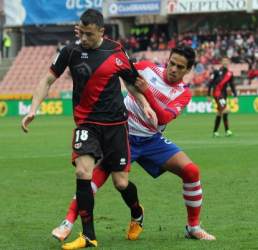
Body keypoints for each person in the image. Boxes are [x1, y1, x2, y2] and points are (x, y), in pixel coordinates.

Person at [52, 44, 216, 243]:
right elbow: (119, 70)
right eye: (171, 63)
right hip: (122, 134)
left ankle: (193, 227)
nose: (173, 69)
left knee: (191, 171)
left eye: (180, 67)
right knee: (93, 178)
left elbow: (163, 118)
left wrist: (146, 92)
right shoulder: (146, 68)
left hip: (151, 140)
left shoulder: (184, 93)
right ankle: (68, 221)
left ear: (189, 70)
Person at [21, 9, 157, 250]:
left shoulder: (117, 51)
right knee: (83, 172)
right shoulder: (70, 52)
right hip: (86, 124)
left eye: (89, 34)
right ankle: (89, 236)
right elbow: (46, 81)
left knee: (121, 183)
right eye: (81, 32)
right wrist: (34, 109)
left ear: (101, 32)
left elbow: (130, 83)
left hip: (116, 125)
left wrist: (146, 104)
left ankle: (137, 212)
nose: (83, 38)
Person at [207, 57, 238, 138]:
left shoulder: (229, 73)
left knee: (220, 112)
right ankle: (227, 130)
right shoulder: (216, 71)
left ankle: (215, 132)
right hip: (217, 94)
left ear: (229, 62)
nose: (225, 62)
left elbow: (232, 86)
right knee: (226, 109)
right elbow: (210, 83)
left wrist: (235, 96)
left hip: (224, 95)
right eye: (224, 61)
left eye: (227, 61)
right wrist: (208, 95)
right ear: (221, 62)